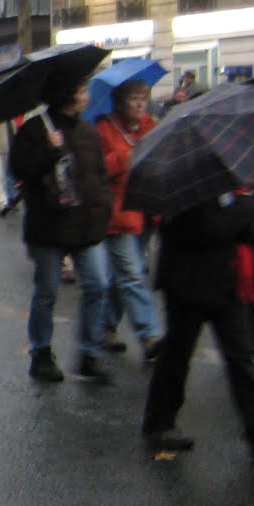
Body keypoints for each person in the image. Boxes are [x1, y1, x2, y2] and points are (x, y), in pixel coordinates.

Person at [143, 191, 254, 460]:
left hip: (224, 283)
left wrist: (249, 215)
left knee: (240, 355)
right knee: (177, 356)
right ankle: (160, 422)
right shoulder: (185, 192)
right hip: (187, 284)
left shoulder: (221, 190)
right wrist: (249, 210)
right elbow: (212, 229)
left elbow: (238, 231)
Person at [8, 77, 114, 385]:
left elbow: (97, 175)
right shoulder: (35, 129)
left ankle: (89, 353)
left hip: (86, 224)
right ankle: (41, 353)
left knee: (97, 285)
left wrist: (103, 207)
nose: (86, 96)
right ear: (66, 95)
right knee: (47, 292)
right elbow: (20, 171)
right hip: (49, 224)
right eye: (81, 90)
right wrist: (49, 152)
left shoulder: (87, 131)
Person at [94, 81, 163, 363]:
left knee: (123, 275)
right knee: (133, 273)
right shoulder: (105, 129)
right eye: (133, 99)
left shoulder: (151, 127)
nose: (138, 105)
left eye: (142, 99)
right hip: (119, 214)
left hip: (146, 210)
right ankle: (150, 336)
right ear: (121, 103)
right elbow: (99, 169)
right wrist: (125, 157)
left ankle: (105, 326)